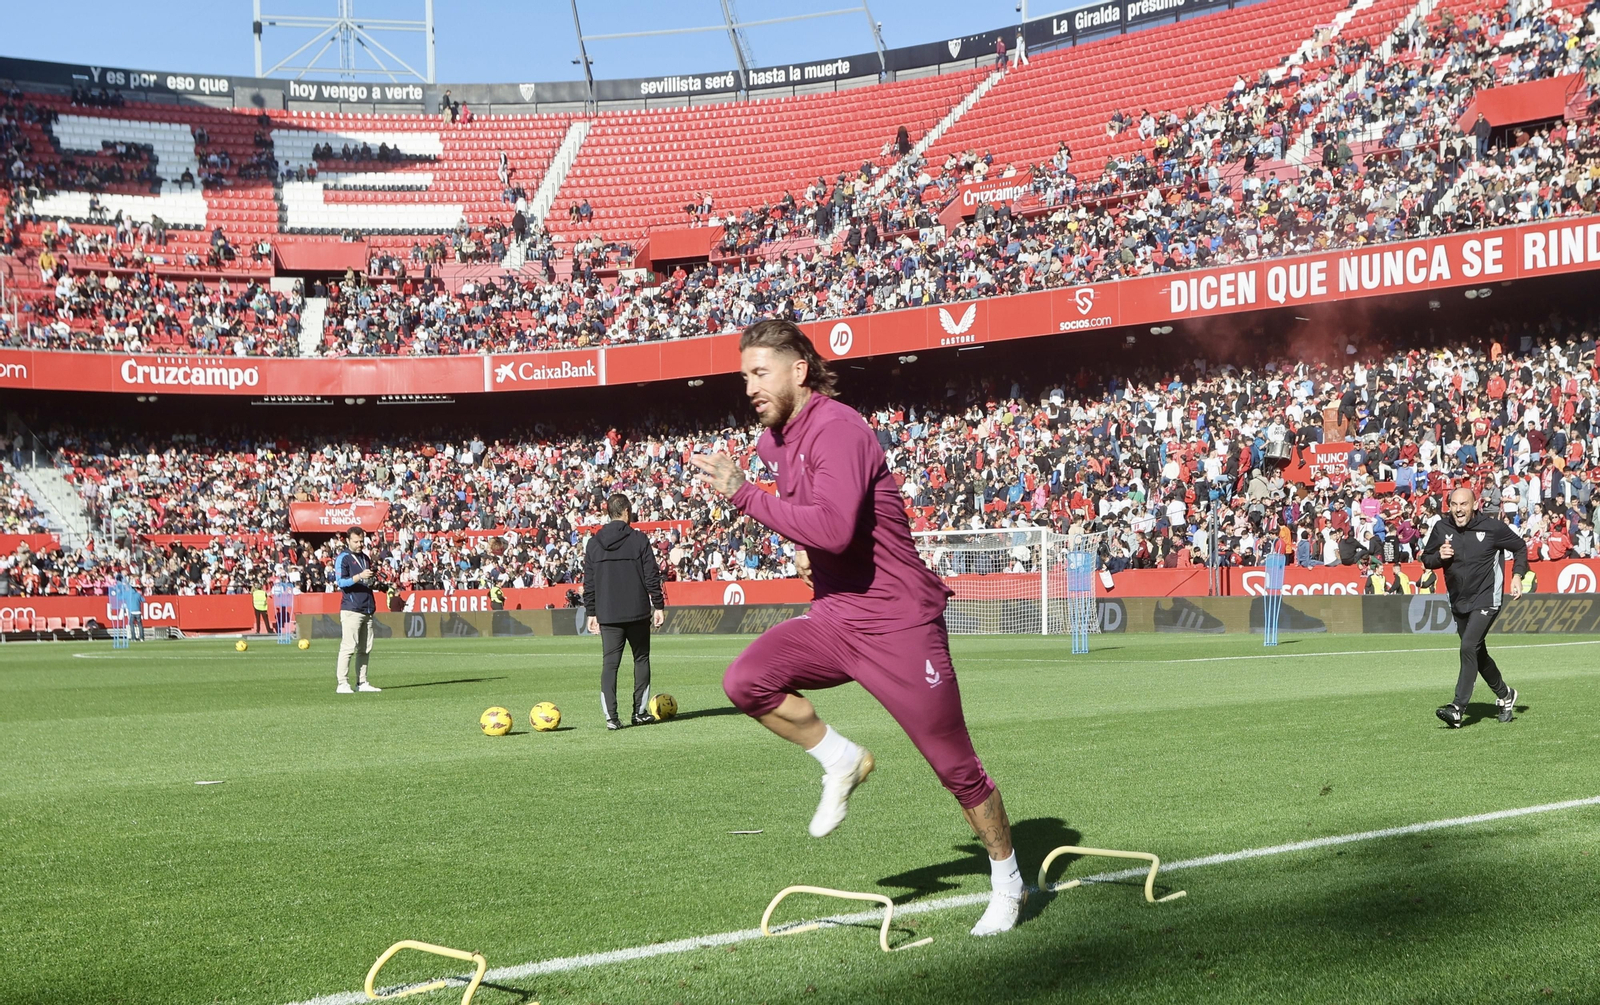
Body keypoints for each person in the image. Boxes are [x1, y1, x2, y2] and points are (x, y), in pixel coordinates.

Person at [691, 319, 1022, 938]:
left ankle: (1008, 881)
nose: (750, 388)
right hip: (837, 617)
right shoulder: (773, 443)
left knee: (955, 768)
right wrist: (800, 545)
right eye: (744, 377)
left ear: (800, 370)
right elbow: (817, 522)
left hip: (899, 624)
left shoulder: (840, 429)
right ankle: (841, 758)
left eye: (760, 374)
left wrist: (745, 496)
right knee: (745, 680)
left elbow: (837, 529)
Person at [1420, 488, 1525, 727]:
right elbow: (1426, 559)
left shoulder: (1492, 527)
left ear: (1474, 504)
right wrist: (1439, 556)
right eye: (1454, 504)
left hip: (1487, 598)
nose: (1458, 509)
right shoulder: (1441, 529)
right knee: (1477, 652)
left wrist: (1517, 575)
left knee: (1468, 645)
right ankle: (1505, 695)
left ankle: (1457, 708)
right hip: (1459, 600)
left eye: (1464, 504)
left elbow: (1519, 546)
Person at [582, 493, 666, 729]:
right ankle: (639, 712)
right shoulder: (639, 540)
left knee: (610, 664)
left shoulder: (594, 543)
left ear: (609, 512)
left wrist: (591, 612)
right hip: (637, 611)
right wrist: (658, 605)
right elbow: (652, 576)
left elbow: (589, 582)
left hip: (607, 613)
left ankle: (611, 718)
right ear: (627, 511)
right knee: (641, 659)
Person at [333, 527, 382, 694]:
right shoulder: (343, 558)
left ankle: (362, 682)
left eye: (361, 541)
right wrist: (360, 576)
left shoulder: (365, 558)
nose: (360, 544)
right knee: (348, 647)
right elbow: (341, 582)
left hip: (367, 608)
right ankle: (342, 683)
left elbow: (367, 581)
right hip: (351, 608)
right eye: (356, 541)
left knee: (365, 648)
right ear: (348, 541)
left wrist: (374, 582)